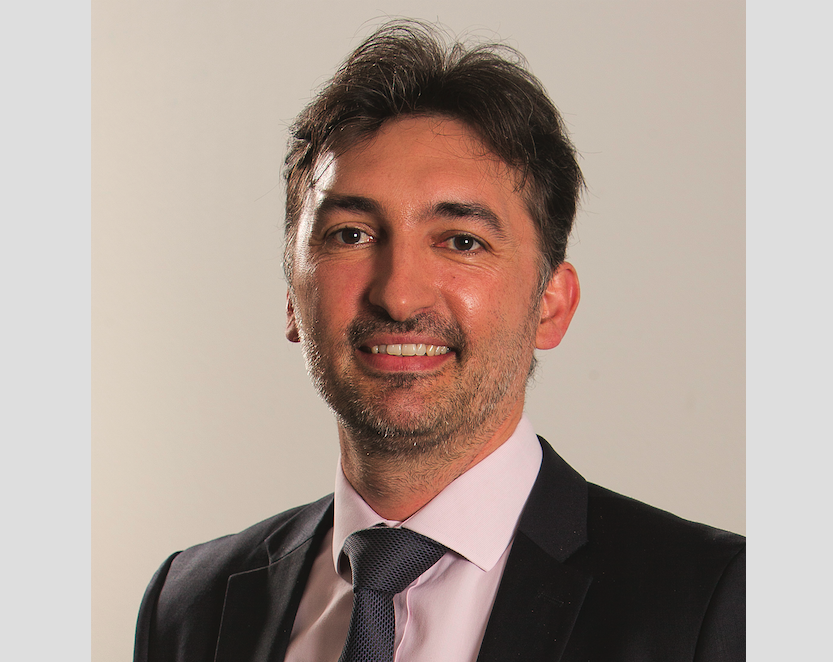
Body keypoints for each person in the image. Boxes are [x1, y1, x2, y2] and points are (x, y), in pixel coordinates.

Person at [134, 20, 745, 662]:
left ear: (551, 304)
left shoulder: (708, 605)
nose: (399, 296)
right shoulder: (190, 606)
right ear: (292, 295)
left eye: (461, 241)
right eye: (351, 235)